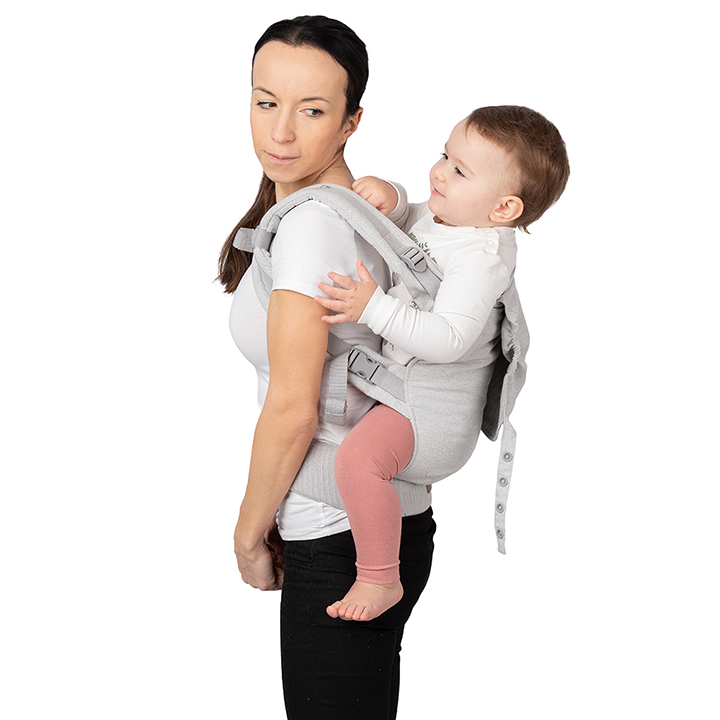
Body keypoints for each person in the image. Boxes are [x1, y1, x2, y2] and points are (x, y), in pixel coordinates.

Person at [217, 15, 435, 720]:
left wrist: (248, 536)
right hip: (380, 521)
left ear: (351, 122)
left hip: (335, 534)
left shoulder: (312, 227)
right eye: (265, 102)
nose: (280, 132)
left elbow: (294, 408)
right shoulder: (342, 213)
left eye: (311, 111)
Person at [314, 106, 570, 622]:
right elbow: (413, 229)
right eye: (444, 156)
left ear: (504, 208)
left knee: (356, 463)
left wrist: (373, 309)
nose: (440, 172)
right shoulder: (454, 217)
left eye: (460, 170)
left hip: (432, 419)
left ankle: (379, 578)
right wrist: (391, 197)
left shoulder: (481, 258)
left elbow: (450, 339)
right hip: (406, 396)